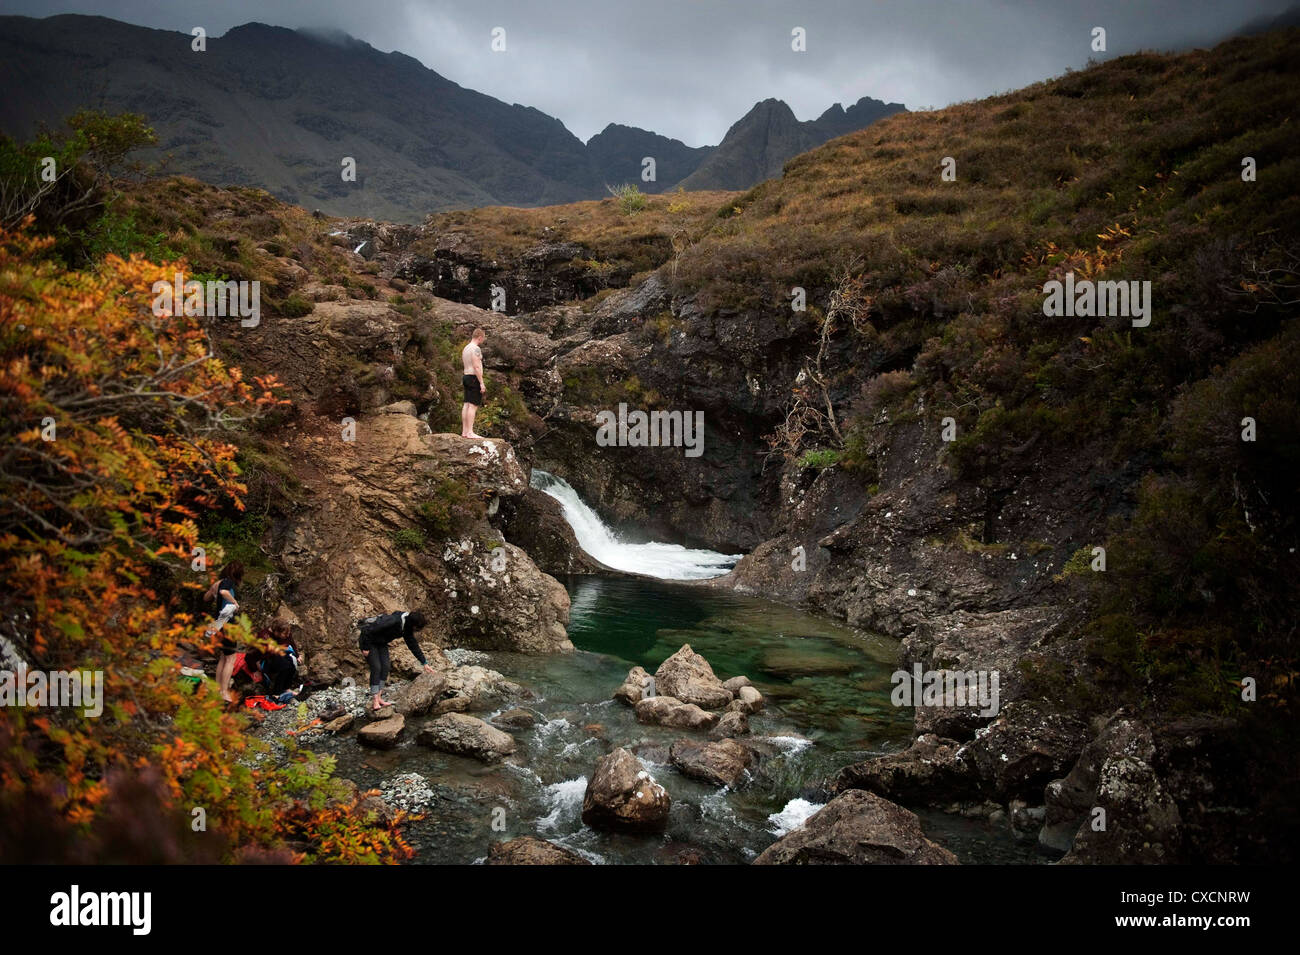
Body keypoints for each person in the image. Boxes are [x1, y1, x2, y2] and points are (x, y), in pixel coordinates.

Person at [358, 610, 437, 712]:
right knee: (377, 667)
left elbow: (413, 645)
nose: (416, 630)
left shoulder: (407, 627)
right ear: (412, 624)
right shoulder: (393, 621)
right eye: (416, 628)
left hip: (381, 643)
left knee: (386, 667)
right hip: (369, 642)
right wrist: (365, 647)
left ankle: (379, 697)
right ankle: (375, 700)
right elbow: (367, 630)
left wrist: (424, 663)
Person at [203, 561, 244, 703]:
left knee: (223, 657)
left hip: (218, 624)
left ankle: (217, 689)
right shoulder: (228, 583)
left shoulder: (218, 583)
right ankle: (224, 692)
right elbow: (224, 592)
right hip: (228, 624)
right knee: (231, 658)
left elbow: (206, 597)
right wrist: (235, 603)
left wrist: (213, 591)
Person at [460, 327, 487, 439]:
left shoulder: (466, 348)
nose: (483, 341)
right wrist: (481, 382)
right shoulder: (475, 348)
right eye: (483, 339)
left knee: (466, 404)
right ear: (480, 337)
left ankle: (465, 431)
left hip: (466, 376)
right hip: (473, 378)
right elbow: (476, 366)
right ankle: (470, 432)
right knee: (473, 405)